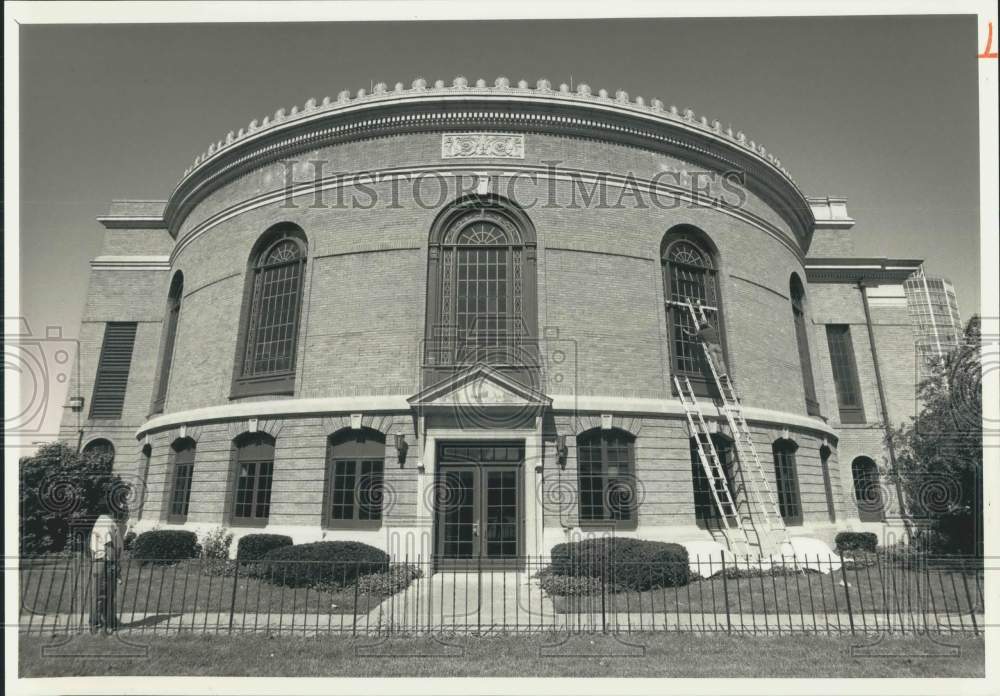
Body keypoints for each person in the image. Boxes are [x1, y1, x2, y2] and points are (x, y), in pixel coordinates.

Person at [88, 514, 124, 633]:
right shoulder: (104, 521)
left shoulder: (107, 521)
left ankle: (109, 622)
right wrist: (115, 566)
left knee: (108, 595)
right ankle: (97, 624)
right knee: (101, 595)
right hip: (105, 562)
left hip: (105, 562)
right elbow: (108, 545)